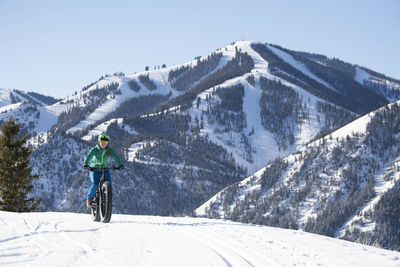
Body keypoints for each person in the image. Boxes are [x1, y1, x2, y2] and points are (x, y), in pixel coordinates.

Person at [83, 133, 124, 207]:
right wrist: (85, 164)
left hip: (104, 168)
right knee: (95, 183)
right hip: (94, 168)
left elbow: (116, 156)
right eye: (102, 142)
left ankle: (108, 198)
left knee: (109, 182)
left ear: (107, 143)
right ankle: (89, 200)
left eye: (105, 143)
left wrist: (120, 164)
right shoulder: (95, 149)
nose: (103, 144)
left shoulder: (109, 150)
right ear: (99, 142)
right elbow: (88, 156)